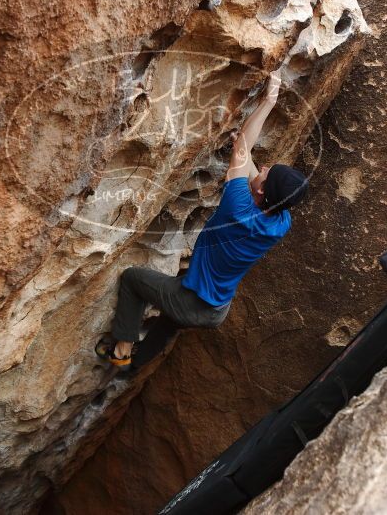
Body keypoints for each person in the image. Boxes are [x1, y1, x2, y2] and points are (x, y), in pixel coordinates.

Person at [96, 70, 309, 370]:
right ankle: (135, 369)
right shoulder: (280, 220)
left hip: (194, 303)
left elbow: (243, 154)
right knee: (169, 320)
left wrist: (269, 101)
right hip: (216, 308)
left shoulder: (237, 207)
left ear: (260, 190)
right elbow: (247, 161)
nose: (264, 166)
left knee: (133, 279)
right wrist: (243, 152)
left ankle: (121, 352)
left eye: (266, 171)